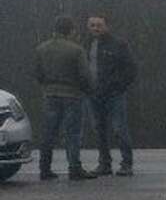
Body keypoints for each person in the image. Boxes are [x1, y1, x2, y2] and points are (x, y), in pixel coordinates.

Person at [33, 16, 96, 181]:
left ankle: (44, 168)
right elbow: (85, 75)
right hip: (72, 95)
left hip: (50, 94)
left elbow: (38, 74)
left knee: (48, 133)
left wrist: (47, 86)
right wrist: (89, 90)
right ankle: (74, 168)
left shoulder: (42, 48)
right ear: (70, 30)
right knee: (72, 133)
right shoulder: (76, 50)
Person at [84, 12, 138, 176]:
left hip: (114, 95)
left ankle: (126, 163)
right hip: (93, 94)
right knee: (99, 129)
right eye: (92, 25)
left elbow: (131, 69)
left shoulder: (118, 44)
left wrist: (119, 86)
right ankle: (104, 164)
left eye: (99, 25)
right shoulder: (86, 44)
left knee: (119, 129)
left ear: (106, 26)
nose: (96, 28)